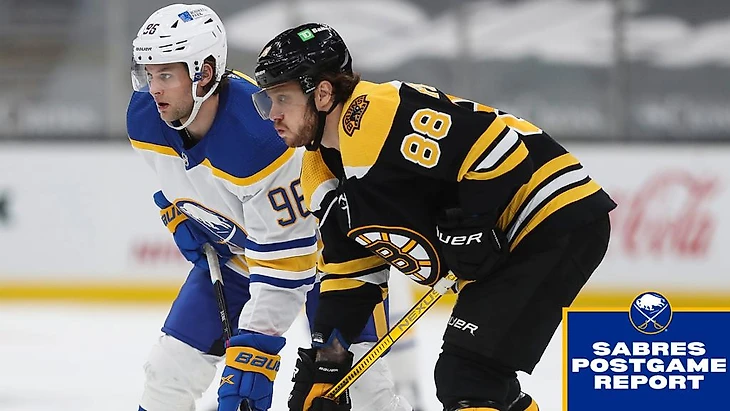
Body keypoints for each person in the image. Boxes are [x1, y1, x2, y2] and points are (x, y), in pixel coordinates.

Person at [251, 23, 617, 411]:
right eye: (268, 100)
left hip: (551, 214)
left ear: (323, 93)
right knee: (478, 382)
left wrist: (471, 226)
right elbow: (350, 275)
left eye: (282, 98)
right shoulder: (318, 173)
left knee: (469, 377)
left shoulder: (375, 112)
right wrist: (328, 365)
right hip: (519, 238)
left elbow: (502, 148)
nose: (272, 114)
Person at [127, 5, 411, 411]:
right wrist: (182, 212)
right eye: (149, 74)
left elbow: (287, 266)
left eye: (166, 75)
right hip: (244, 257)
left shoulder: (260, 140)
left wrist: (255, 354)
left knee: (366, 393)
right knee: (167, 374)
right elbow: (181, 179)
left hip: (328, 263)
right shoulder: (145, 116)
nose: (153, 89)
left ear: (204, 72)